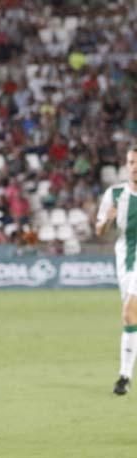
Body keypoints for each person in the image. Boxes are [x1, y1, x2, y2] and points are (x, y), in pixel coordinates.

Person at [94, 145, 137, 395]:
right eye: (131, 162)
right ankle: (125, 376)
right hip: (124, 260)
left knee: (128, 314)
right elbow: (99, 231)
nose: (134, 167)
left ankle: (123, 377)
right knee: (131, 317)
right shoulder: (115, 194)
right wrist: (108, 219)